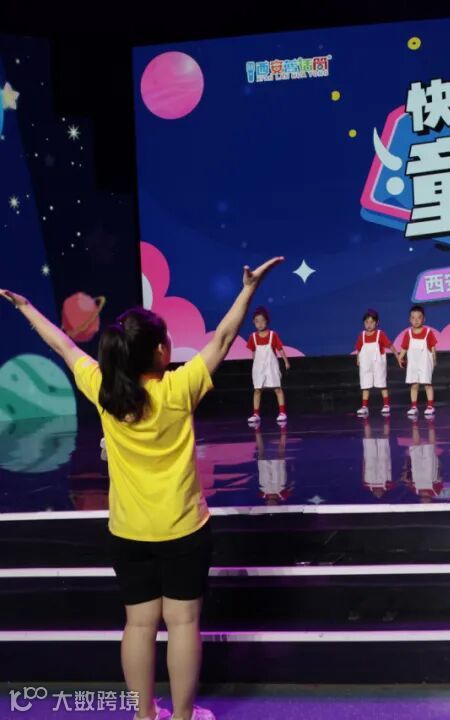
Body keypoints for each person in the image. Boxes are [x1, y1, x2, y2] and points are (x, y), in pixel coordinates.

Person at [1, 255, 283, 720]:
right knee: (183, 623)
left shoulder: (104, 390)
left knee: (137, 624)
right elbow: (224, 337)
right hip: (182, 529)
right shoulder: (178, 389)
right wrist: (249, 289)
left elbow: (64, 347)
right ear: (158, 352)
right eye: (166, 340)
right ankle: (184, 717)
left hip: (129, 532)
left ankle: (143, 715)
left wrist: (27, 309)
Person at [245, 306, 289, 426]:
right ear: (254, 322)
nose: (259, 324)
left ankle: (282, 412)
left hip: (271, 365)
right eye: (257, 321)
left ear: (266, 321)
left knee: (277, 388)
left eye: (262, 321)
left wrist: (286, 361)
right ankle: (256, 414)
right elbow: (254, 352)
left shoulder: (272, 335)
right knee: (257, 390)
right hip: (259, 367)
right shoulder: (253, 337)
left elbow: (280, 349)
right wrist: (255, 366)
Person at [355, 309, 399, 417]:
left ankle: (386, 405)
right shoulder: (362, 335)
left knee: (382, 383)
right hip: (366, 363)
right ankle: (364, 407)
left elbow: (390, 345)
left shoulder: (380, 334)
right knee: (365, 384)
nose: (369, 325)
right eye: (366, 322)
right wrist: (358, 358)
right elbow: (359, 349)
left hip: (378, 362)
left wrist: (397, 355)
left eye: (371, 322)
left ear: (377, 322)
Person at [398, 305, 437, 418]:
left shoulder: (428, 332)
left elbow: (433, 347)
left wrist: (434, 358)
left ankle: (430, 406)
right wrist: (400, 357)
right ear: (409, 320)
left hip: (425, 363)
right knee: (414, 385)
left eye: (419, 317)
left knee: (427, 384)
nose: (416, 320)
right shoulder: (408, 334)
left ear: (424, 319)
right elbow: (404, 348)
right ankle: (414, 407)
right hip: (413, 364)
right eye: (413, 318)